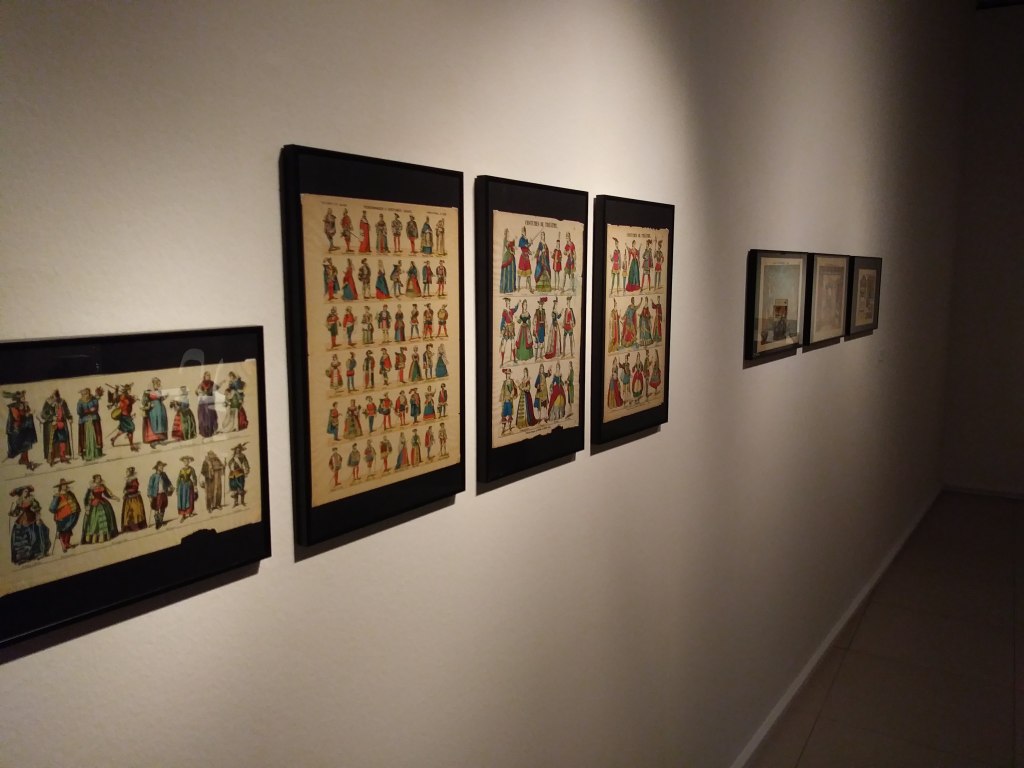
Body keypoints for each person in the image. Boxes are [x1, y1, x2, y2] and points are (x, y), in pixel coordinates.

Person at [9, 485, 50, 563]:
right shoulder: (19, 501)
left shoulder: (32, 499)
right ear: (22, 493)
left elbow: (37, 509)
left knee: (37, 534)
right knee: (20, 536)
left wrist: (37, 519)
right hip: (22, 519)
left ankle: (39, 552)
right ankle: (23, 556)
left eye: (27, 491)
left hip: (32, 519)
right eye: (25, 491)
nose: (27, 493)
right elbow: (17, 512)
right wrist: (12, 513)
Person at [6, 389, 39, 470]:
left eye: (24, 396)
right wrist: (27, 414)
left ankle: (23, 459)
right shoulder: (14, 407)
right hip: (17, 429)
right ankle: (24, 460)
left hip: (25, 426)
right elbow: (17, 418)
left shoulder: (25, 404)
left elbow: (27, 413)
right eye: (22, 397)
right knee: (23, 444)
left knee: (27, 443)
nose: (24, 398)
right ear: (18, 399)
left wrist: (29, 412)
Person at [82, 473, 119, 543]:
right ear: (94, 480)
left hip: (103, 503)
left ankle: (105, 536)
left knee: (107, 517)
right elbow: (86, 498)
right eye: (97, 478)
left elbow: (107, 495)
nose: (98, 479)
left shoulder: (102, 486)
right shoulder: (91, 488)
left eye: (99, 478)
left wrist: (115, 498)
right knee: (94, 521)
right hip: (94, 505)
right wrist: (87, 507)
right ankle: (94, 538)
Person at [40, 389, 73, 465]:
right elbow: (43, 414)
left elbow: (66, 411)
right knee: (52, 441)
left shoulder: (62, 401)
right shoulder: (48, 402)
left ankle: (63, 456)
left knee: (62, 440)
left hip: (61, 424)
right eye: (55, 398)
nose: (56, 400)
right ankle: (51, 458)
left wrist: (70, 418)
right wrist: (52, 417)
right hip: (51, 425)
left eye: (57, 398)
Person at [49, 478, 81, 552]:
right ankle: (63, 545)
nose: (65, 486)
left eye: (66, 485)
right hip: (62, 516)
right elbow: (52, 508)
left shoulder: (70, 493)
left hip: (72, 514)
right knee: (63, 530)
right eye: (63, 485)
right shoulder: (58, 495)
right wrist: (62, 504)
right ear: (60, 487)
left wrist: (78, 509)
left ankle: (67, 543)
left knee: (68, 529)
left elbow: (75, 501)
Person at [108, 383, 139, 451]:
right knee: (131, 428)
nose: (130, 390)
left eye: (130, 389)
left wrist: (134, 398)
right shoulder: (124, 397)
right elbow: (127, 402)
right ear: (126, 390)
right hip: (125, 416)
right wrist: (135, 399)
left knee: (122, 429)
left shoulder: (126, 396)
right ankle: (132, 446)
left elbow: (129, 401)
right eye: (129, 389)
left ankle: (113, 439)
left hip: (124, 415)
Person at [77, 386, 104, 461]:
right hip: (84, 422)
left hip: (94, 420)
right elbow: (79, 412)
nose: (86, 395)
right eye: (84, 394)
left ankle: (97, 453)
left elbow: (96, 409)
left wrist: (91, 411)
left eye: (87, 393)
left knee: (96, 436)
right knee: (85, 437)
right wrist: (88, 411)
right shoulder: (80, 402)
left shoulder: (94, 399)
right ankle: (86, 453)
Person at [142, 377, 168, 447]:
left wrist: (165, 397)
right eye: (156, 384)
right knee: (154, 423)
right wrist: (149, 404)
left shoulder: (159, 391)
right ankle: (154, 440)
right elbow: (144, 401)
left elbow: (161, 399)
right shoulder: (147, 392)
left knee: (160, 423)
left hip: (160, 409)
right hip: (152, 409)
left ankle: (160, 439)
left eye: (158, 384)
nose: (158, 385)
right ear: (153, 384)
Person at [148, 461, 173, 529]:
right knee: (157, 507)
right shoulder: (153, 476)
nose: (162, 467)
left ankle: (161, 521)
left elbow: (168, 481)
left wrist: (171, 486)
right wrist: (150, 496)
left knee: (163, 507)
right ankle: (157, 523)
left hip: (164, 493)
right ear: (157, 468)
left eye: (162, 466)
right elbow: (150, 486)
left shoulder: (164, 474)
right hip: (157, 495)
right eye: (160, 466)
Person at [121, 466, 147, 531]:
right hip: (128, 498)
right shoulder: (128, 480)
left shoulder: (134, 480)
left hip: (134, 498)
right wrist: (125, 490)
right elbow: (126, 488)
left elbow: (135, 488)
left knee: (135, 512)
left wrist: (127, 491)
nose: (126, 473)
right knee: (128, 513)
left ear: (130, 473)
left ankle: (136, 526)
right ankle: (130, 527)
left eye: (127, 472)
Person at [175, 457, 198, 521]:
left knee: (190, 499)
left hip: (189, 485)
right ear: (183, 462)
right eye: (184, 461)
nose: (185, 462)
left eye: (187, 461)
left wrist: (195, 486)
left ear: (189, 462)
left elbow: (194, 477)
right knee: (182, 500)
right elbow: (178, 479)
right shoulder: (181, 470)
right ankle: (183, 514)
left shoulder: (191, 469)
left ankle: (190, 512)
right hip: (182, 487)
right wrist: (177, 488)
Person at [196, 372, 218, 437]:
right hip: (203, 403)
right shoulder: (202, 383)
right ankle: (205, 432)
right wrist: (202, 393)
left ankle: (212, 431)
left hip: (210, 401)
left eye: (209, 375)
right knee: (203, 417)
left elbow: (215, 390)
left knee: (211, 416)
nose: (208, 376)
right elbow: (196, 391)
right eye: (207, 375)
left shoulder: (212, 383)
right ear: (204, 376)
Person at [498, 369, 517, 434]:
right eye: (507, 374)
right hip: (505, 400)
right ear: (506, 375)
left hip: (510, 400)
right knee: (504, 414)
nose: (508, 375)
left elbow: (515, 388)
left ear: (510, 374)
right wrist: (501, 399)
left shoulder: (512, 381)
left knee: (510, 413)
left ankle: (509, 427)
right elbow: (502, 391)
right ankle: (503, 428)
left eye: (509, 374)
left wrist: (512, 393)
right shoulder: (504, 382)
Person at [499, 228, 517, 293]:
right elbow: (505, 248)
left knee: (511, 272)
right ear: (506, 233)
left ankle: (511, 288)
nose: (508, 234)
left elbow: (513, 248)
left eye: (509, 232)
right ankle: (505, 288)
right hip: (507, 257)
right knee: (506, 273)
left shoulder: (511, 240)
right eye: (507, 232)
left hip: (511, 257)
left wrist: (513, 249)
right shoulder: (505, 240)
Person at [517, 226, 534, 293]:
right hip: (522, 258)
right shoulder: (521, 239)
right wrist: (530, 243)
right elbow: (525, 245)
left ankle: (530, 288)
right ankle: (518, 287)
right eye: (523, 231)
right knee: (520, 274)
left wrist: (530, 252)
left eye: (524, 231)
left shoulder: (526, 239)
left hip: (527, 258)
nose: (523, 232)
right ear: (521, 232)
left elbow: (527, 248)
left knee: (528, 274)